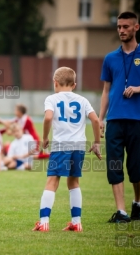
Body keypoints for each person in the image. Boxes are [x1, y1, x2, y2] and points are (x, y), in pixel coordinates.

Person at [99, 11, 140, 223]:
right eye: (119, 27)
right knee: (114, 166)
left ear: (136, 28)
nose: (121, 30)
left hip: (138, 121)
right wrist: (101, 118)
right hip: (114, 120)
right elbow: (106, 91)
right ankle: (121, 212)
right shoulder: (110, 58)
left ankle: (137, 203)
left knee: (136, 168)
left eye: (126, 27)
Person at [32, 67, 101, 232]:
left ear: (55, 83)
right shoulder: (83, 100)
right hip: (79, 145)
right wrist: (97, 142)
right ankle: (76, 222)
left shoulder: (52, 99)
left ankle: (44, 222)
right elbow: (96, 120)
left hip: (61, 145)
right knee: (74, 182)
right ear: (74, 84)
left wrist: (45, 137)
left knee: (52, 180)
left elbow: (48, 117)